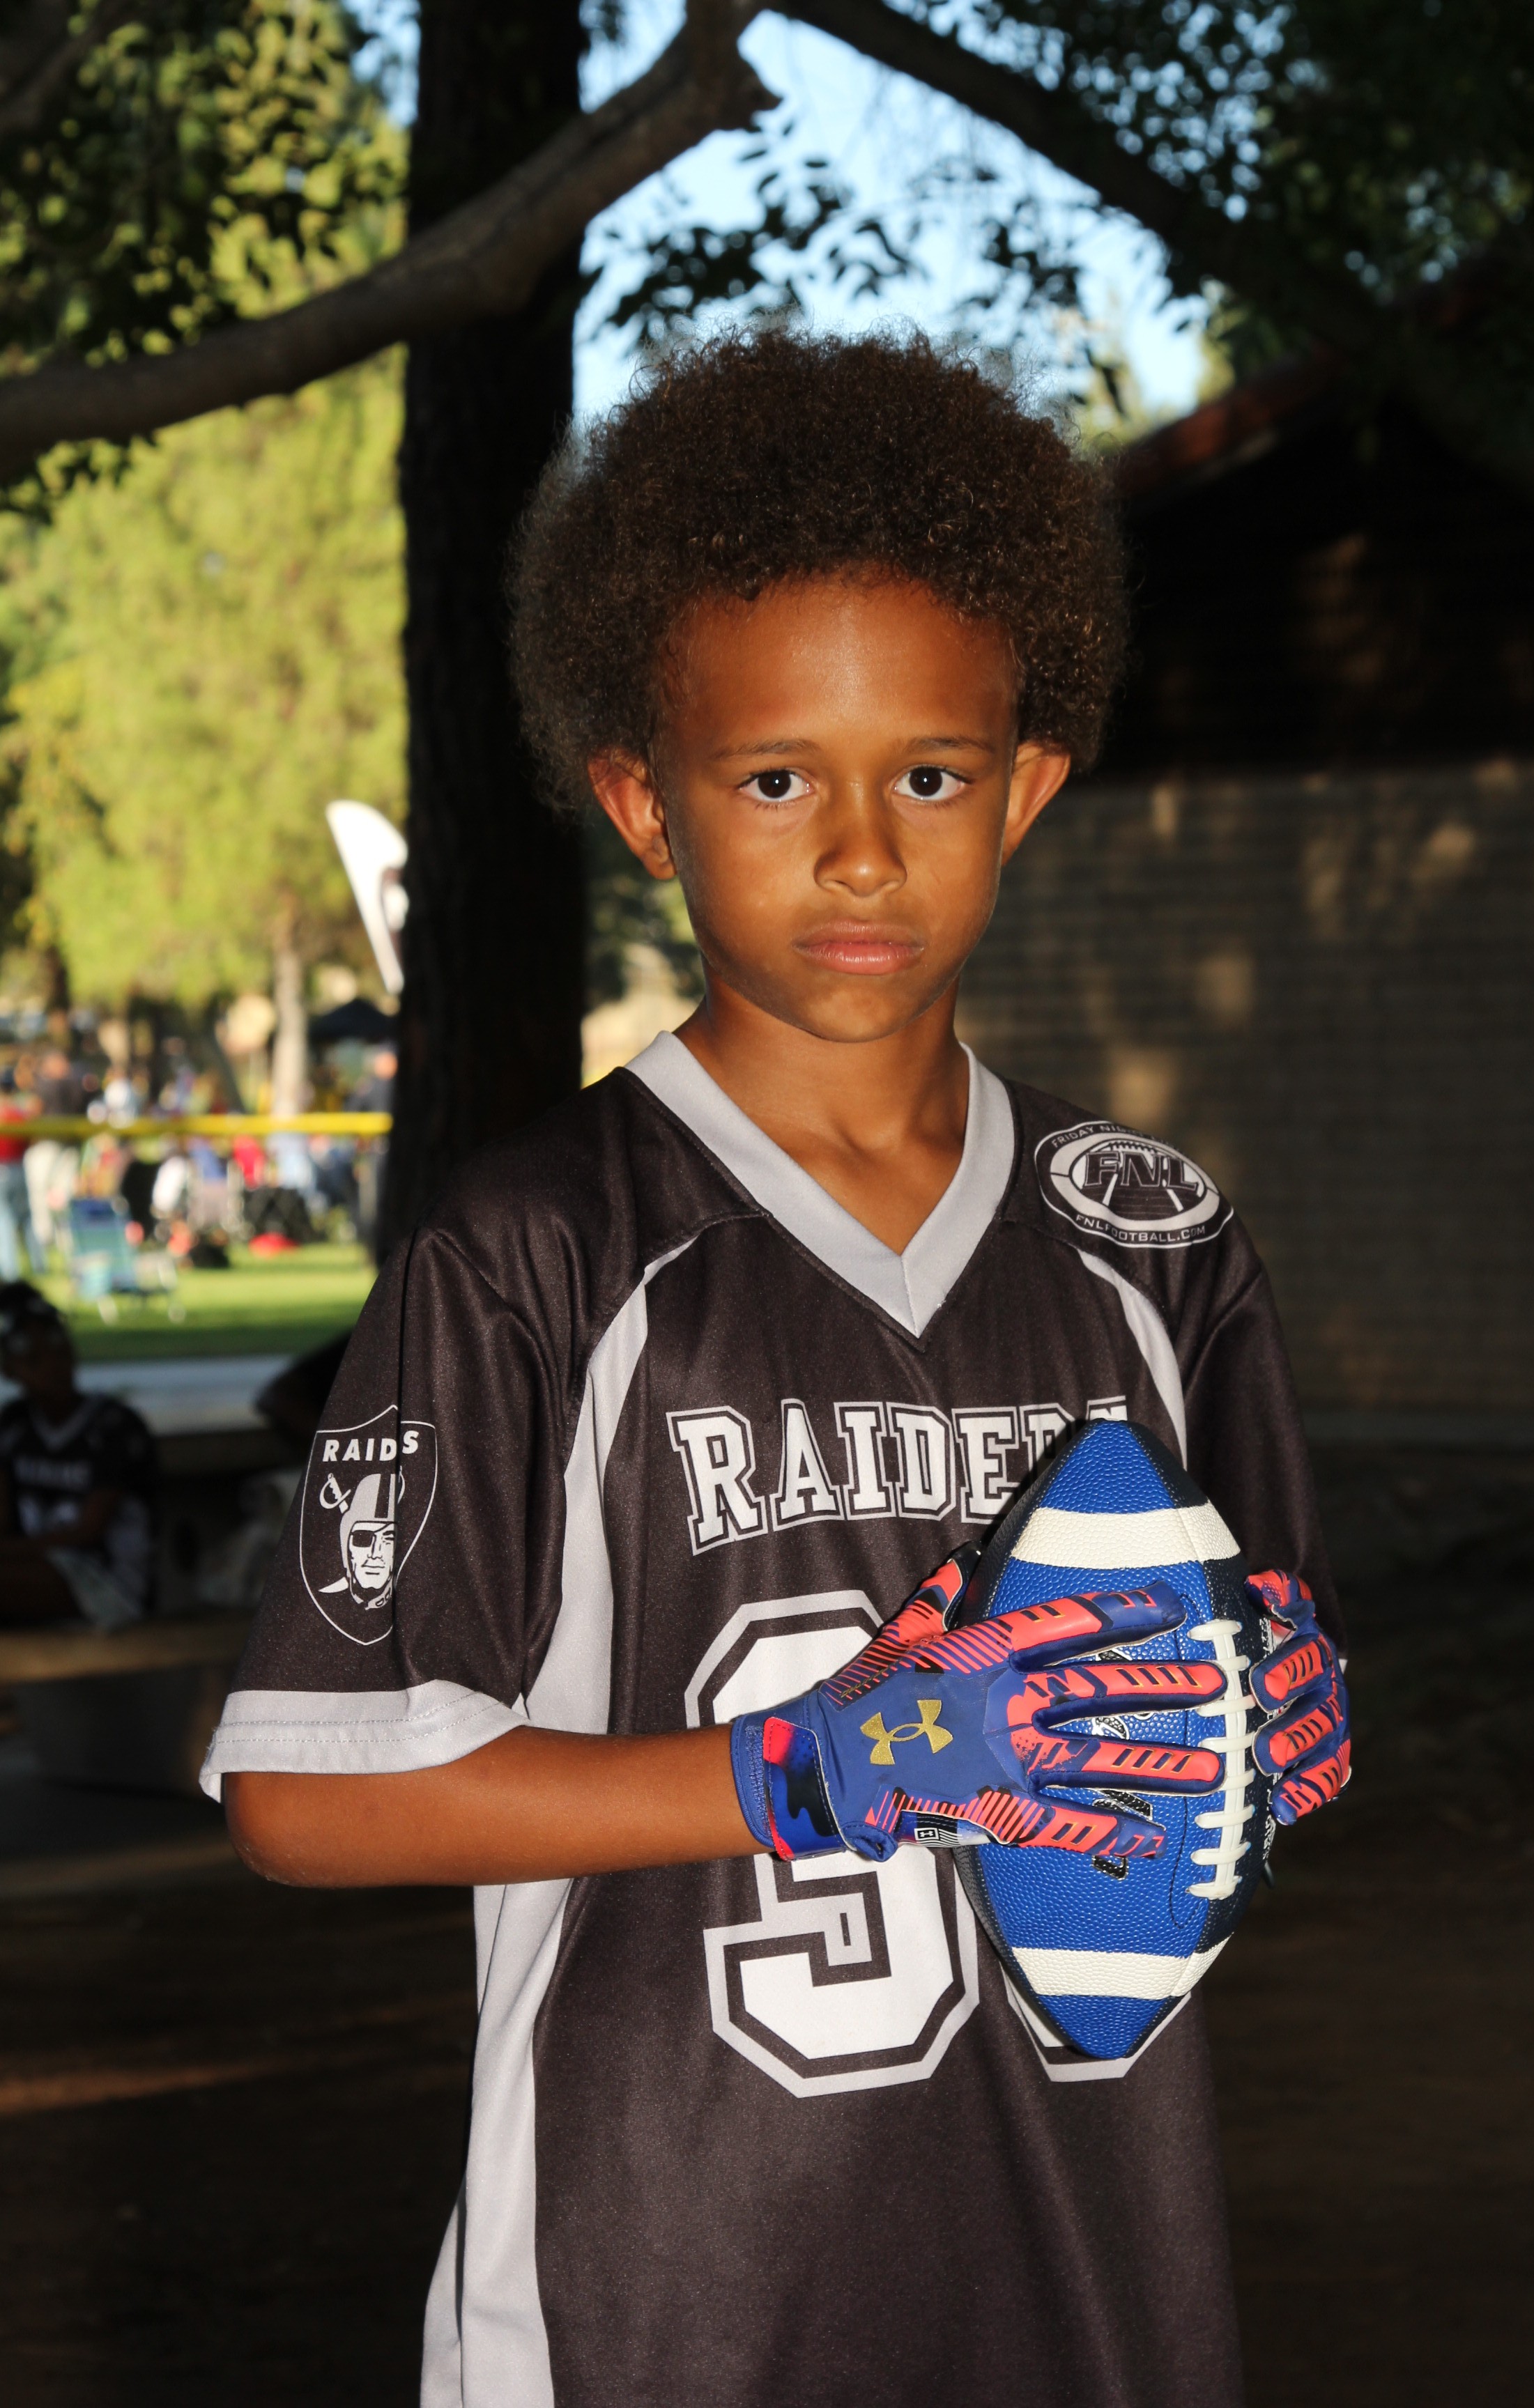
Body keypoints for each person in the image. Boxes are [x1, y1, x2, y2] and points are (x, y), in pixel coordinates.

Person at [208, 334, 1349, 2408]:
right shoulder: (539, 1250)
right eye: (773, 779)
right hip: (662, 2307)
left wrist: (1269, 1724)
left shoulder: (1152, 1240)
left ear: (1025, 788)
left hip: (1090, 2282)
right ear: (644, 801)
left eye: (929, 774)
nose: (859, 851)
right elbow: (305, 1796)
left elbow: (1213, 1703)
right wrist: (800, 1770)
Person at [0, 1283, 156, 1629]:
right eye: (34, 1359)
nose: (52, 1366)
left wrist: (9, 1552)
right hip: (35, 1568)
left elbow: (88, 1531)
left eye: (60, 1351)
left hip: (109, 1584)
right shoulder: (13, 1426)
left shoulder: (114, 1426)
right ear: (9, 1368)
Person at [0, 1069, 43, 1281]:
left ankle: (11, 1270)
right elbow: (32, 1141)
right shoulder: (20, 1113)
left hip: (6, 1167)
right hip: (19, 1167)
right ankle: (39, 1263)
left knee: (4, 1219)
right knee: (25, 1218)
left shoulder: (14, 1113)